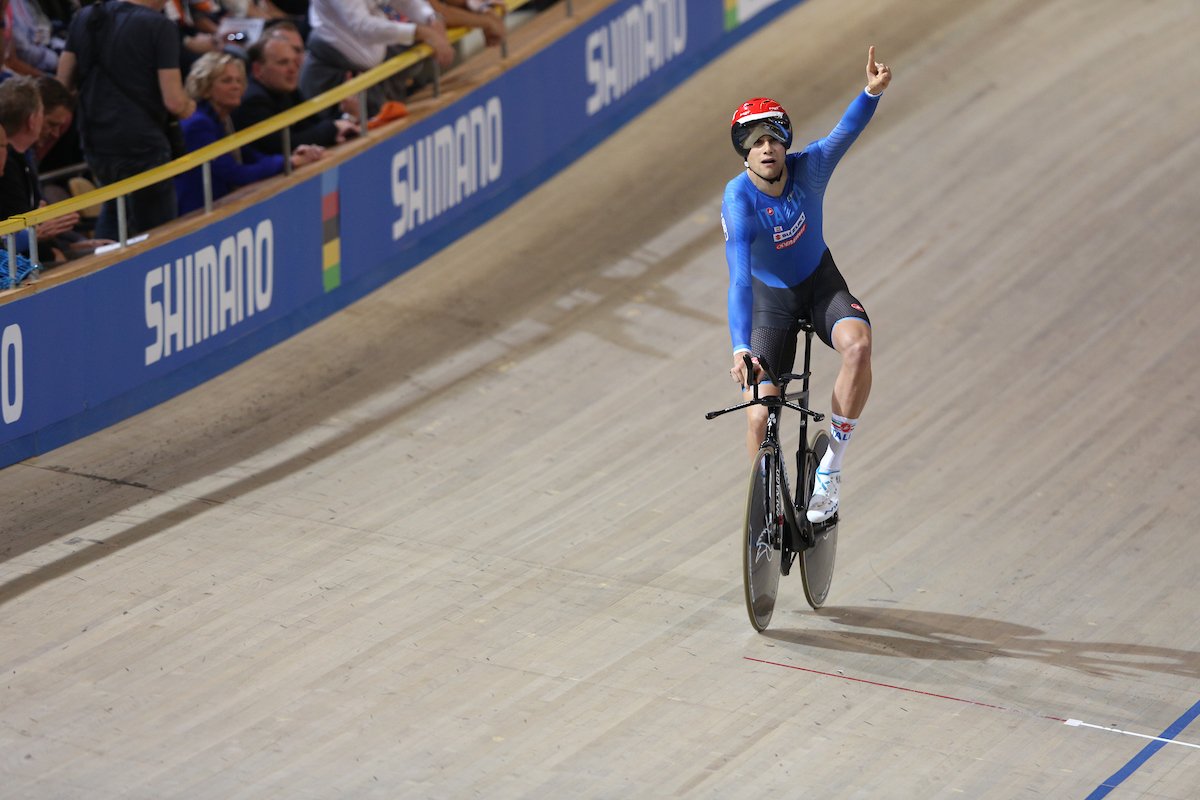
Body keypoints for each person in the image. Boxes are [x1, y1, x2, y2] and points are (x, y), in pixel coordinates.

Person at [722, 46, 892, 524]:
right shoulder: (738, 200)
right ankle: (765, 507)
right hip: (770, 303)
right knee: (760, 413)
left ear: (785, 143)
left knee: (859, 346)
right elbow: (739, 280)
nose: (767, 148)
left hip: (820, 284)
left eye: (773, 138)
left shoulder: (810, 167)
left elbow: (844, 132)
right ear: (744, 152)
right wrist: (741, 348)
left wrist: (871, 93)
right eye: (755, 141)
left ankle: (830, 468)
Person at [57, 0, 196, 241]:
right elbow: (174, 102)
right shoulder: (160, 26)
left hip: (94, 140)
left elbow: (62, 86)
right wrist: (190, 106)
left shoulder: (85, 17)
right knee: (158, 231)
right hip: (143, 144)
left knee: (113, 210)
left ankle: (105, 262)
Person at [174, 50, 323, 214]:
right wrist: (289, 162)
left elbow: (249, 155)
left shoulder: (223, 118)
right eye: (226, 81)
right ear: (205, 88)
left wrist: (291, 158)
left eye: (239, 80)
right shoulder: (198, 124)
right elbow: (236, 173)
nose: (236, 86)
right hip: (197, 214)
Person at [0, 74, 109, 262]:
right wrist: (49, 248)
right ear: (33, 120)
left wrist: (67, 246)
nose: (55, 133)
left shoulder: (23, 160)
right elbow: (18, 237)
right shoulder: (11, 165)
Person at [299, 0, 454, 114]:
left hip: (376, 71)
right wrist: (420, 32)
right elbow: (361, 25)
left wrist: (430, 17)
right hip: (331, 73)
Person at [231, 34, 357, 154]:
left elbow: (312, 125)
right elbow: (285, 146)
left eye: (294, 62)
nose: (293, 69)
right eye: (283, 62)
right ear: (257, 69)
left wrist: (346, 114)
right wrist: (336, 127)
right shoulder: (253, 101)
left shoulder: (287, 90)